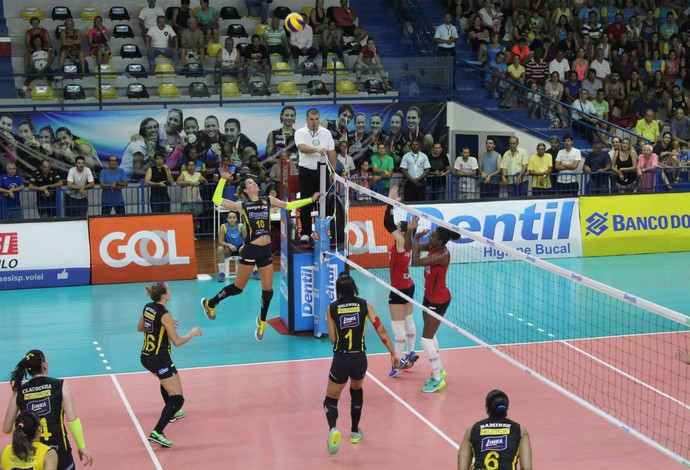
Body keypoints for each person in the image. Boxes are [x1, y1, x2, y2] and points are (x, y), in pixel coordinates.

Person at [201, 174, 324, 340]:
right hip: (251, 249)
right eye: (250, 183)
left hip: (265, 250)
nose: (255, 184)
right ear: (246, 190)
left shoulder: (268, 200)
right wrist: (223, 179)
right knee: (238, 288)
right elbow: (216, 199)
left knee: (268, 291)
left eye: (254, 182)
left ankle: (262, 321)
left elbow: (289, 205)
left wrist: (310, 199)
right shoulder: (242, 205)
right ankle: (210, 303)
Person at [323, 272, 399, 455]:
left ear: (338, 289)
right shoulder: (365, 304)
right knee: (356, 391)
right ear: (354, 287)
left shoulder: (331, 308)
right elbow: (380, 329)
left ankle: (333, 429)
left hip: (341, 359)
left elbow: (333, 339)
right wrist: (393, 353)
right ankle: (355, 431)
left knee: (331, 399)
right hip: (359, 359)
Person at [3, 350, 94, 469]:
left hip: (33, 454)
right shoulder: (60, 385)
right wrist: (82, 447)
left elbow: (6, 428)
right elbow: (72, 420)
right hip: (60, 451)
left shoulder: (19, 391)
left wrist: (23, 428)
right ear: (44, 364)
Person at [139, 282, 202, 448]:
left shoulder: (148, 307)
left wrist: (163, 326)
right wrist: (192, 333)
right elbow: (177, 342)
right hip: (160, 359)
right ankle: (157, 432)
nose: (170, 291)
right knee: (178, 399)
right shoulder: (165, 314)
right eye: (169, 289)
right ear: (163, 295)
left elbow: (141, 328)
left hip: (145, 356)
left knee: (164, 382)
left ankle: (172, 414)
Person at [408, 217, 460, 393]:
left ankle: (437, 378)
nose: (429, 238)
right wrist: (413, 235)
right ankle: (440, 370)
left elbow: (415, 261)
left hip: (439, 299)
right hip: (428, 297)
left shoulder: (442, 255)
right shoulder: (433, 247)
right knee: (430, 336)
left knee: (425, 339)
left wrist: (416, 241)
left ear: (440, 241)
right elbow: (410, 249)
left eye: (432, 237)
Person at [383, 185, 418, 378]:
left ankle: (397, 361)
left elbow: (387, 223)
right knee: (408, 320)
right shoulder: (409, 242)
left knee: (398, 329)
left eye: (397, 230)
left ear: (400, 233)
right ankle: (411, 351)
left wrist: (390, 201)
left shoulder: (400, 242)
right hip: (409, 286)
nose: (394, 230)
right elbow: (393, 225)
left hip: (397, 289)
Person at [457, 389, 533, 470]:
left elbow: (462, 467)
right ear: (506, 408)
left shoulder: (472, 430)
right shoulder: (520, 430)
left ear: (487, 408)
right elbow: (526, 467)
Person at [294, 108, 337, 243]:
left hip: (323, 171)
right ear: (307, 120)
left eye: (317, 119)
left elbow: (332, 153)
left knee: (324, 203)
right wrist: (317, 149)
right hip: (306, 171)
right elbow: (302, 148)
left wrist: (333, 171)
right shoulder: (300, 132)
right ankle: (306, 233)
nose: (314, 122)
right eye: (312, 119)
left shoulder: (326, 133)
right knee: (307, 202)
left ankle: (324, 232)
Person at [216, 210, 245, 282]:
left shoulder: (241, 227)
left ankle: (254, 271)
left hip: (240, 248)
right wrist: (229, 245)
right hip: (229, 249)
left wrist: (243, 246)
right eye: (230, 217)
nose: (232, 219)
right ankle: (222, 273)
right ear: (227, 219)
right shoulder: (224, 227)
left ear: (237, 219)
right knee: (219, 249)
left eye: (234, 217)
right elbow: (220, 241)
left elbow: (248, 241)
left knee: (250, 248)